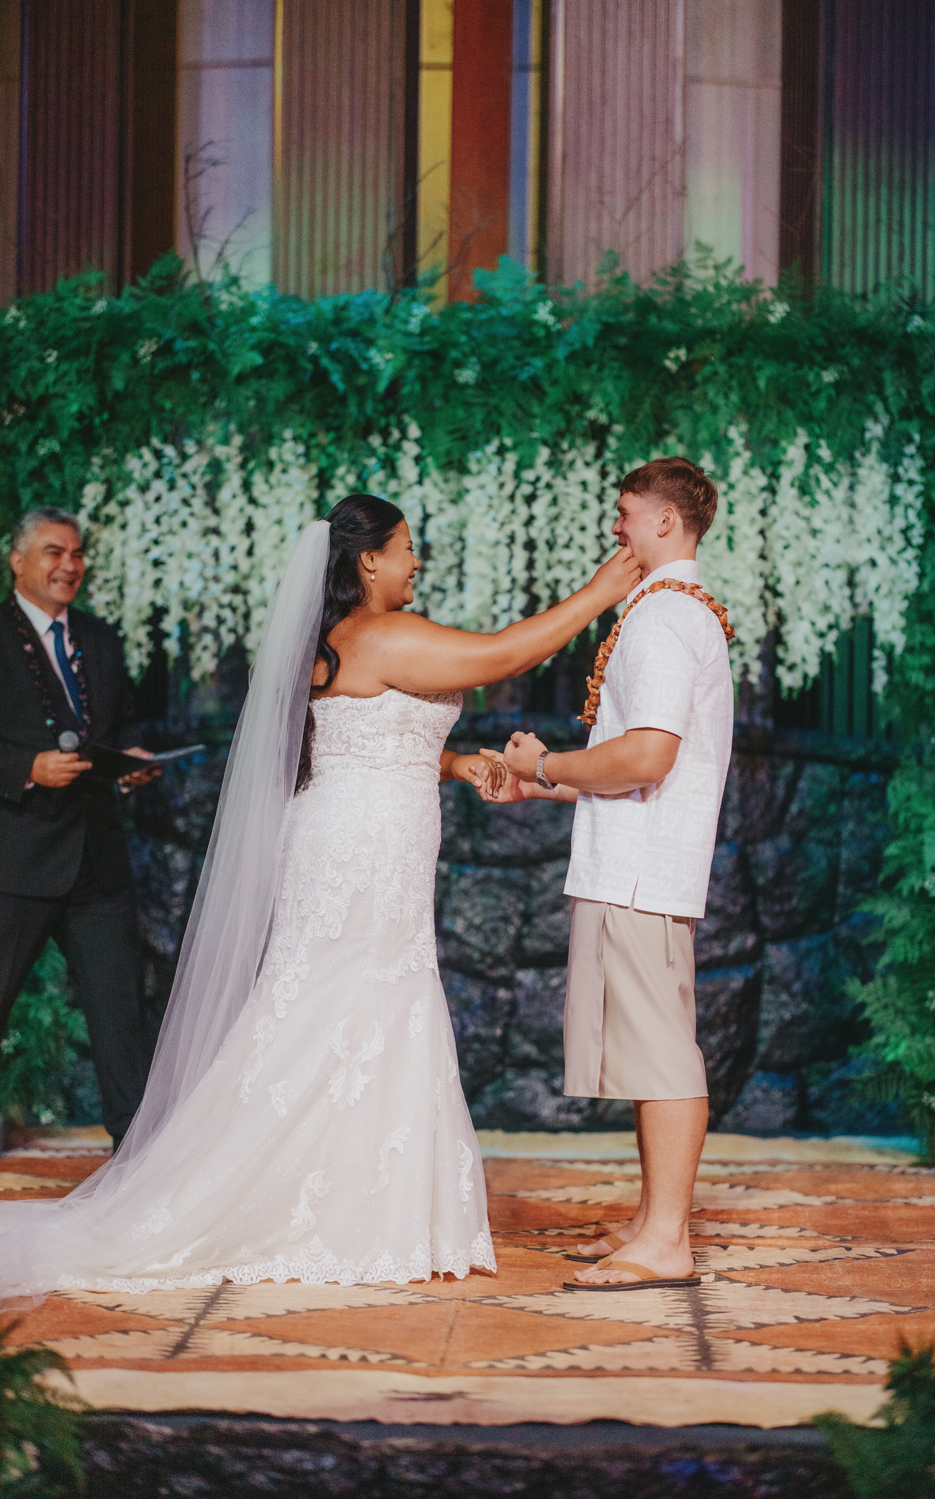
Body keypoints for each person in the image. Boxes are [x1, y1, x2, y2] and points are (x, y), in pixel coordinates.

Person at [0, 494, 639, 1303]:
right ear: (369, 560)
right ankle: (331, 1210)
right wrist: (600, 590)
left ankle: (356, 1208)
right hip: (361, 848)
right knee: (346, 1002)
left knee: (343, 1007)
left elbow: (365, 734)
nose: (416, 561)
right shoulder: (380, 634)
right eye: (407, 547)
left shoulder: (340, 642)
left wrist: (451, 762)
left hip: (359, 832)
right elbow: (507, 654)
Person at [481, 458, 734, 1290]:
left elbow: (648, 754)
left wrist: (548, 762)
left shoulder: (664, 619)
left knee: (662, 1053)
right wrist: (547, 784)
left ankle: (667, 1239)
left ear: (666, 522)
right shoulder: (671, 613)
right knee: (646, 1048)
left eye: (625, 513)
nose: (615, 528)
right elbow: (641, 766)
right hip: (633, 862)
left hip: (639, 874)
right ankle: (649, 1220)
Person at [0, 508, 157, 1152]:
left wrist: (133, 764)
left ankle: (139, 1152)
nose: (69, 565)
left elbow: (123, 728)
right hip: (16, 859)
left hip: (97, 859)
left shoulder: (101, 637)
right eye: (52, 552)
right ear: (17, 561)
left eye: (77, 553)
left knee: (121, 1013)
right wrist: (24, 767)